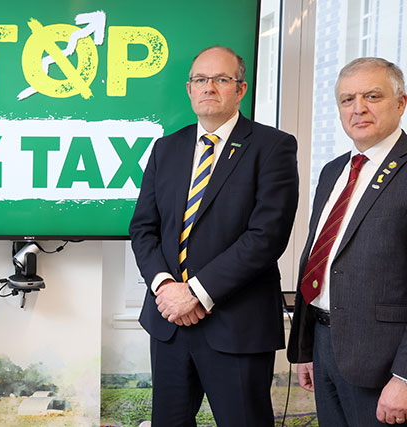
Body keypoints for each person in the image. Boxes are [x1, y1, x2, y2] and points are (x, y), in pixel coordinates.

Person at [128, 46, 299, 426]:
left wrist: (195, 293)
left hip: (236, 324)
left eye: (221, 80)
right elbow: (143, 228)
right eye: (200, 80)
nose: (209, 88)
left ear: (241, 89)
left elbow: (266, 236)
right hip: (169, 321)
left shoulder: (273, 147)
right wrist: (165, 287)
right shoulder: (166, 148)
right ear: (189, 89)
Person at [288, 57, 407, 426]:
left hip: (384, 367)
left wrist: (404, 377)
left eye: (373, 96)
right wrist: (306, 348)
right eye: (347, 99)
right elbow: (320, 261)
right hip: (325, 349)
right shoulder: (333, 171)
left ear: (401, 102)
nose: (359, 109)